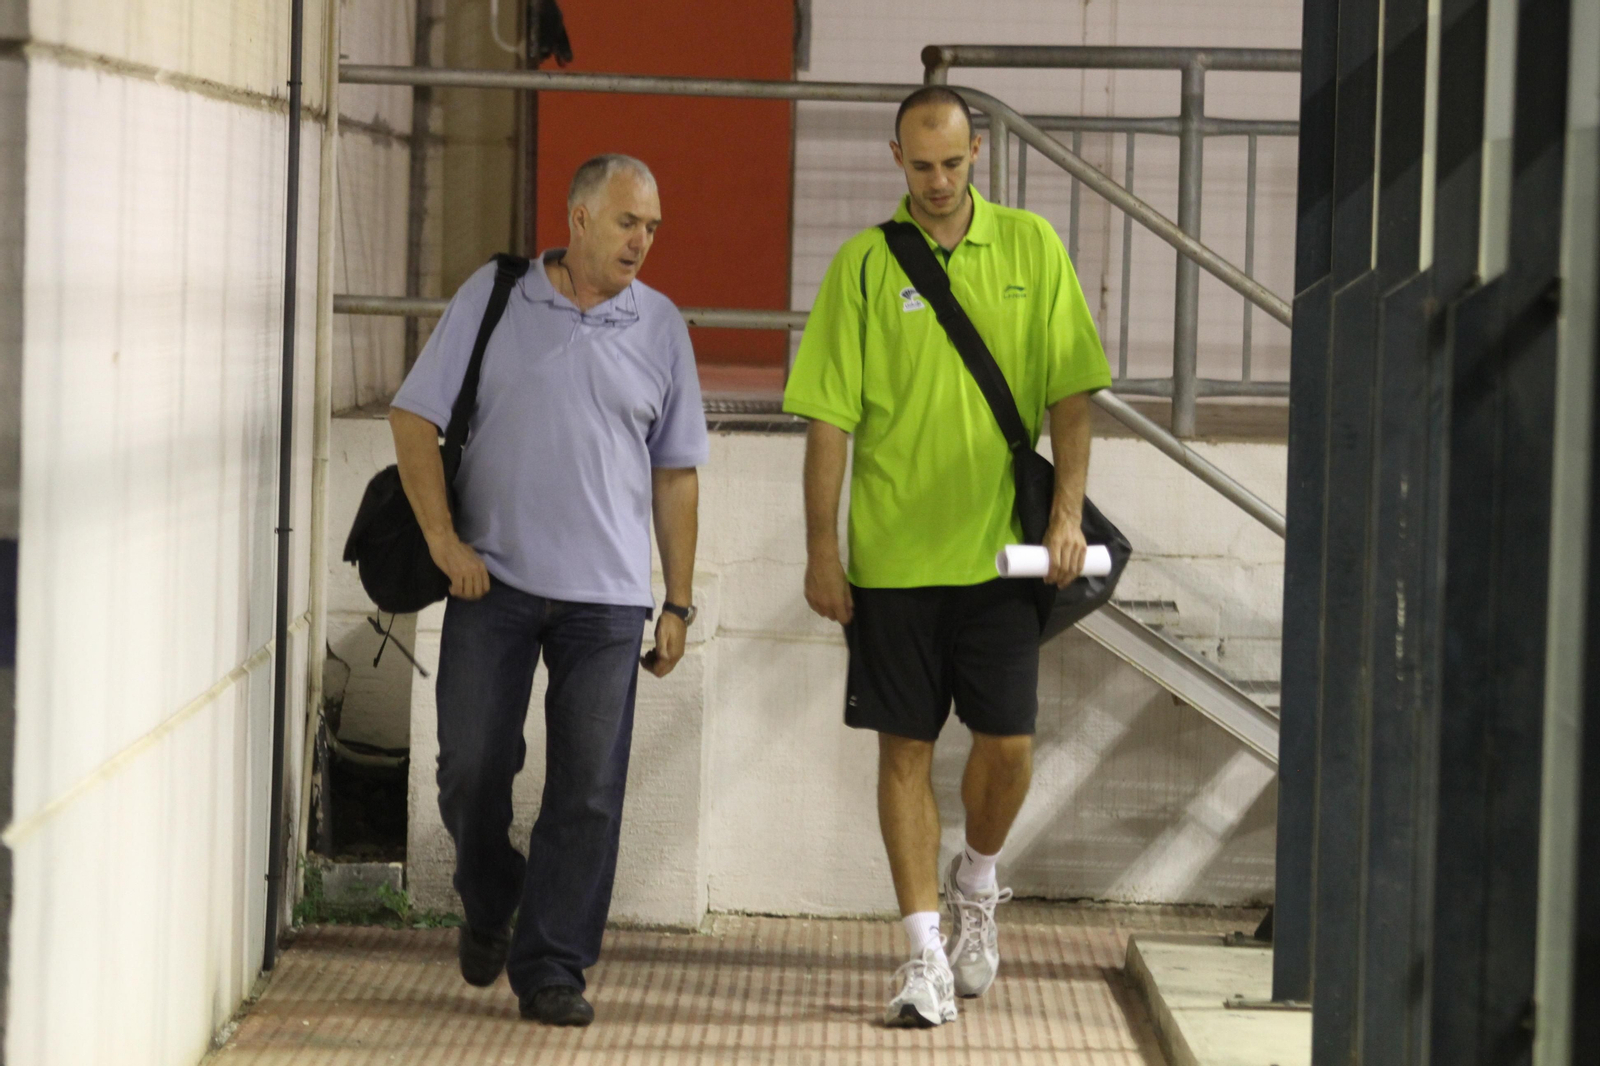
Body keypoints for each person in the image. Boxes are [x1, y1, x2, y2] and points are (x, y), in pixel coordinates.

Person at [782, 87, 1111, 1028]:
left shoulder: (1034, 249)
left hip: (1004, 556)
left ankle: (978, 880)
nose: (937, 181)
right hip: (891, 562)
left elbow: (1073, 394)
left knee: (1009, 748)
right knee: (905, 754)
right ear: (897, 158)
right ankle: (923, 954)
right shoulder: (861, 267)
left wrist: (1069, 516)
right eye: (921, 165)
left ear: (979, 156)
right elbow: (828, 422)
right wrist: (822, 550)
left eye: (953, 164)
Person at [388, 154, 707, 1027]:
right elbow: (415, 417)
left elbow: (676, 473)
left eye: (652, 227)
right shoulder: (495, 297)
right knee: (471, 768)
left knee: (589, 791)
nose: (642, 240)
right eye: (626, 222)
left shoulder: (662, 325)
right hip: (492, 583)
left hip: (607, 602)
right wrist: (444, 541)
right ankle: (491, 897)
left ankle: (553, 965)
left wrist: (676, 602)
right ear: (577, 217)